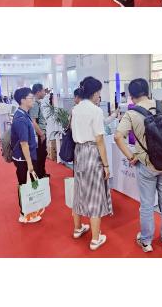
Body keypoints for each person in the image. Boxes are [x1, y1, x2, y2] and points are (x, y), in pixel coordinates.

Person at [114, 78, 162, 253]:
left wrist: (131, 156)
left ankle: (147, 241)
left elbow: (118, 136)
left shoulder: (131, 113)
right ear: (148, 91)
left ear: (132, 95)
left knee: (147, 205)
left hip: (147, 165)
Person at [70, 77, 112, 251]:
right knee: (95, 194)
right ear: (94, 93)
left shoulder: (75, 108)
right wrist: (106, 165)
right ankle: (95, 239)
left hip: (79, 152)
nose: (99, 96)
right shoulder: (96, 111)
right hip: (92, 152)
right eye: (99, 93)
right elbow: (99, 139)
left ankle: (77, 228)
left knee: (79, 191)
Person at [10, 87, 40, 224]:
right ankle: (24, 214)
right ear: (22, 100)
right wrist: (29, 163)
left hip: (26, 156)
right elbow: (24, 143)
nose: (33, 100)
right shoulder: (21, 118)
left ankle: (29, 212)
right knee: (25, 185)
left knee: (28, 184)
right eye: (30, 98)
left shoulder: (23, 114)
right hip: (23, 158)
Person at [29, 83, 49, 178]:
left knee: (42, 155)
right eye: (43, 90)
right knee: (40, 156)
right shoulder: (34, 103)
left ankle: (41, 174)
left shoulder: (35, 102)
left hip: (38, 134)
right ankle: (40, 177)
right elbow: (33, 121)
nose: (45, 92)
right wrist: (41, 134)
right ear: (38, 92)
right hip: (38, 135)